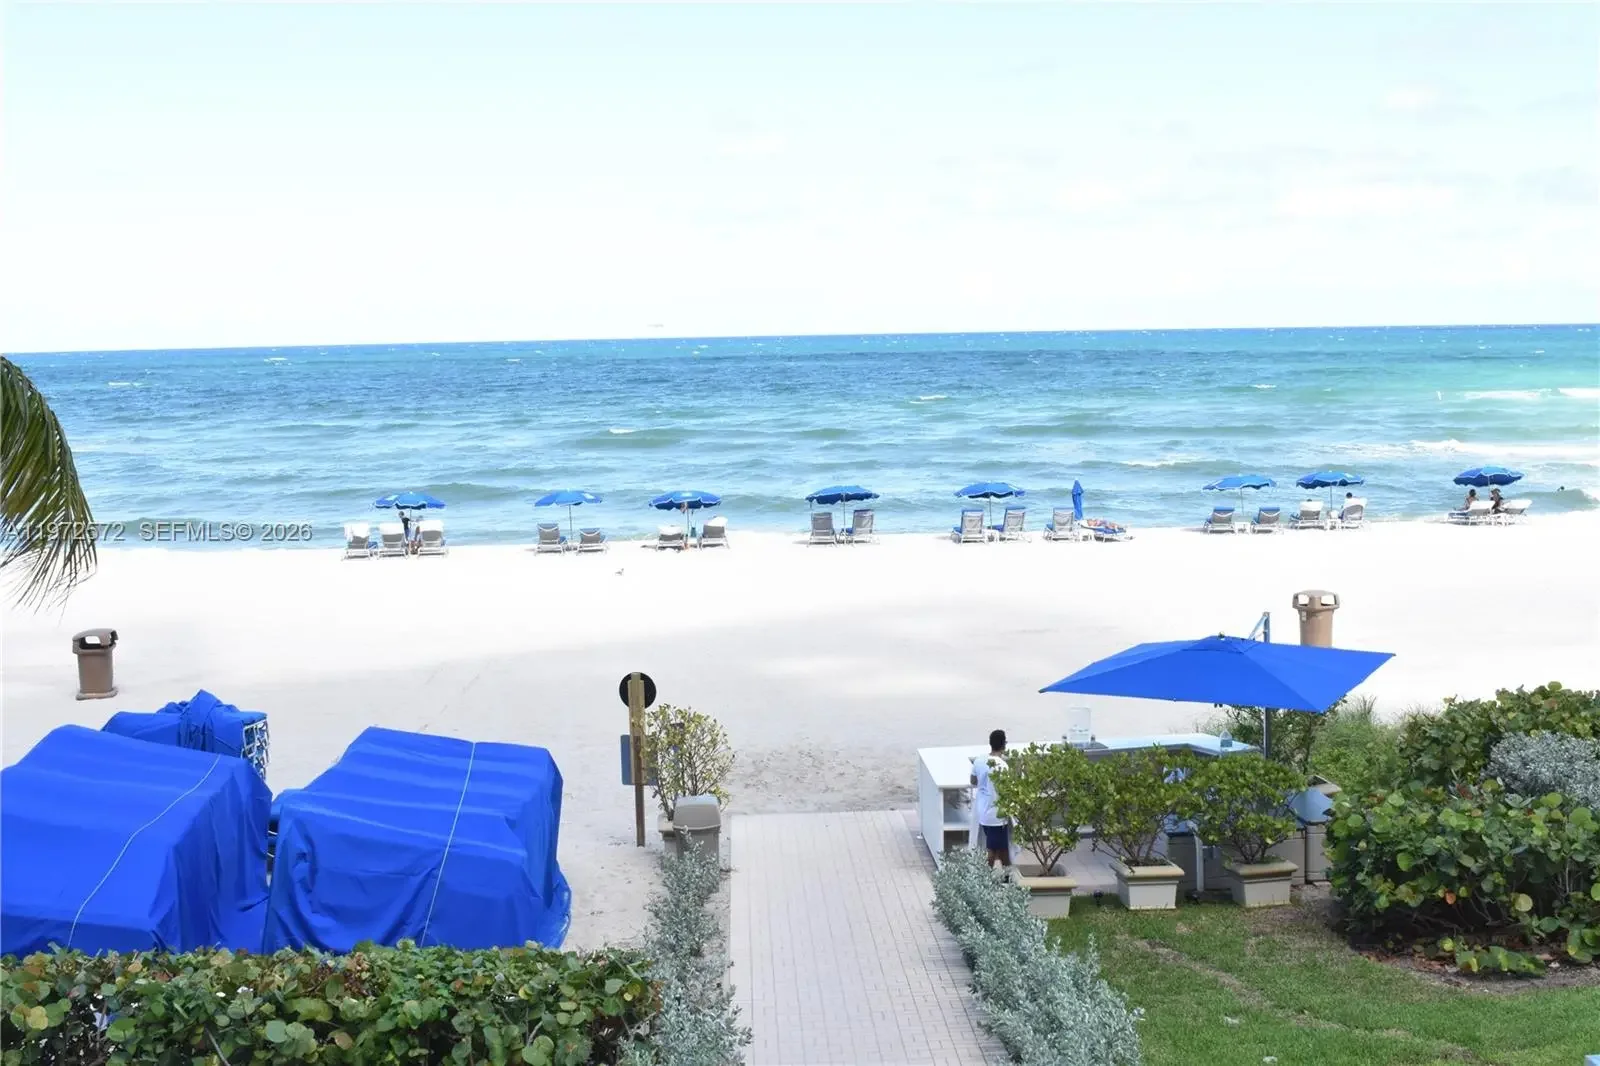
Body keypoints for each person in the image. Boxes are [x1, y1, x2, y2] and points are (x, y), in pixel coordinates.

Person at [970, 729, 1011, 869]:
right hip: (996, 814)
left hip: (982, 810)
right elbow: (1006, 790)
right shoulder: (1003, 766)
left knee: (1001, 847)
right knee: (993, 849)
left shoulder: (979, 761)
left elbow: (973, 780)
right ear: (1004, 745)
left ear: (990, 743)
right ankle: (988, 877)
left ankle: (1006, 875)